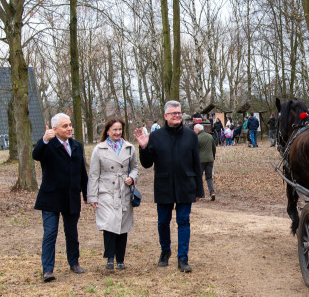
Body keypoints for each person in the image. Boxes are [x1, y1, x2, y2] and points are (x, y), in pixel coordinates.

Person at [134, 100, 204, 273]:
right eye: (173, 113)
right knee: (163, 222)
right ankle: (165, 251)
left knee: (183, 221)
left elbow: (197, 163)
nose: (177, 115)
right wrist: (143, 148)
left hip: (186, 185)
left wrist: (199, 189)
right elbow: (147, 164)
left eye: (179, 112)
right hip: (164, 185)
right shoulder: (156, 137)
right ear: (166, 116)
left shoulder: (191, 136)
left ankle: (183, 258)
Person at [33, 112, 89, 282]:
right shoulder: (47, 145)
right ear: (55, 129)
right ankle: (48, 269)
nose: (70, 128)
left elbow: (82, 173)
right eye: (65, 126)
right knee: (50, 233)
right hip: (51, 197)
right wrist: (44, 140)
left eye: (70, 125)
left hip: (72, 196)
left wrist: (87, 194)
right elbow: (36, 155)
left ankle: (74, 262)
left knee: (72, 233)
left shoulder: (77, 146)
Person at [88, 118, 139, 271]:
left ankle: (121, 259)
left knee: (123, 225)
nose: (117, 132)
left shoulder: (129, 148)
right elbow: (93, 174)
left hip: (123, 190)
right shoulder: (99, 149)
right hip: (106, 191)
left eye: (120, 129)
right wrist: (92, 196)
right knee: (109, 224)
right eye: (114, 129)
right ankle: (110, 257)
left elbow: (135, 167)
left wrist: (132, 178)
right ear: (108, 131)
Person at [195, 123, 216, 201]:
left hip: (200, 160)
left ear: (197, 130)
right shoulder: (210, 136)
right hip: (210, 160)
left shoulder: (197, 138)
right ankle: (212, 192)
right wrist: (213, 157)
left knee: (199, 177)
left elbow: (195, 151)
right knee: (209, 177)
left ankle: (201, 193)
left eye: (194, 130)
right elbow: (214, 148)